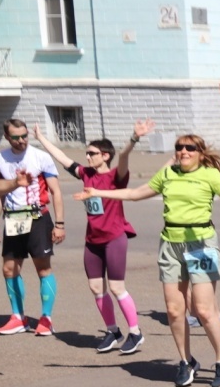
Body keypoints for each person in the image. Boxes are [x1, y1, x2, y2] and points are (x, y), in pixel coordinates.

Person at [78, 133, 220, 387]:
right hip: (170, 244)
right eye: (179, 147)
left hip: (202, 244)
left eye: (190, 148)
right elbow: (135, 194)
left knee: (204, 310)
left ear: (200, 153)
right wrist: (98, 192)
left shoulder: (210, 174)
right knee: (174, 310)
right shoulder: (168, 174)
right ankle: (186, 361)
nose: (184, 152)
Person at [32, 120, 143, 353]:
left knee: (116, 287)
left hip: (114, 238)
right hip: (92, 241)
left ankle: (135, 332)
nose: (87, 157)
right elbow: (63, 159)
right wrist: (41, 138)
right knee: (95, 287)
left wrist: (133, 138)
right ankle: (113, 331)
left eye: (92, 153)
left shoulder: (116, 176)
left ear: (105, 155)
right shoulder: (86, 174)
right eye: (87, 153)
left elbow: (124, 157)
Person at [0, 118, 65, 336]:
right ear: (7, 137)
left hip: (37, 217)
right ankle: (18, 317)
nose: (22, 140)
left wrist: (59, 224)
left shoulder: (40, 157)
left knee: (42, 268)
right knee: (9, 269)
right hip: (13, 220)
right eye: (16, 137)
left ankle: (46, 318)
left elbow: (56, 191)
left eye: (24, 135)